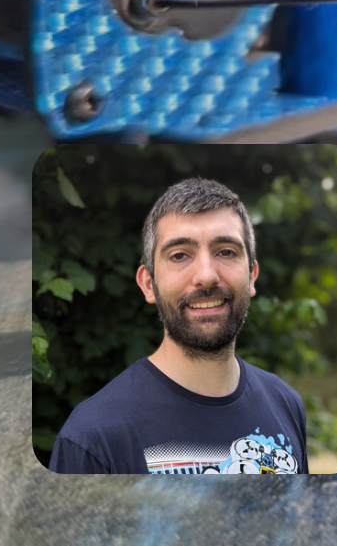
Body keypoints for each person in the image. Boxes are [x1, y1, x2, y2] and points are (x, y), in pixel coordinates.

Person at [48, 178, 308, 474]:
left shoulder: (286, 405)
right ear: (149, 284)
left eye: (226, 251)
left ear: (251, 276)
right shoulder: (93, 438)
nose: (206, 276)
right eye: (179, 255)